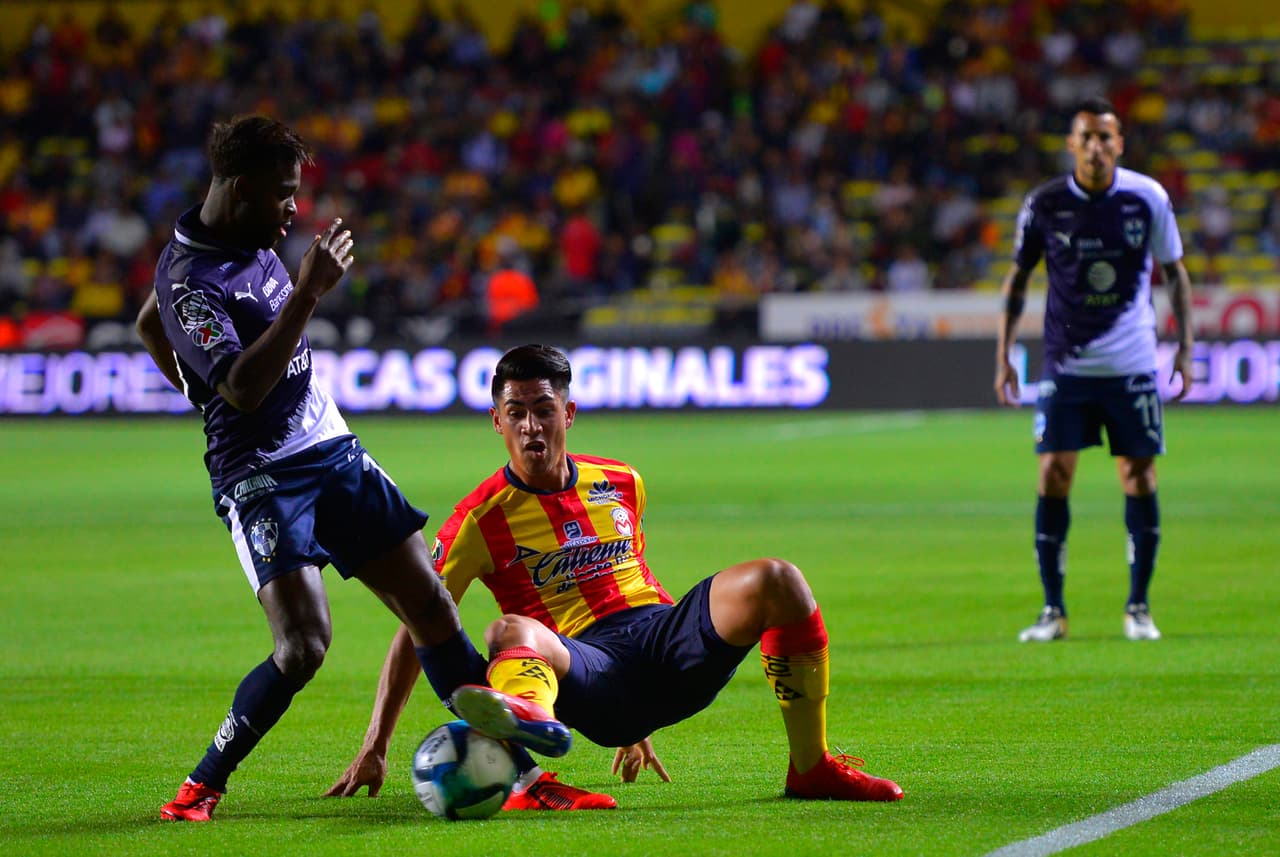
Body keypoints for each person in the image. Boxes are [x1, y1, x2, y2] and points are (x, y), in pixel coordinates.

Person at [135, 116, 583, 821]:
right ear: (240, 188)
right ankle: (201, 785)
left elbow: (145, 324)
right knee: (305, 645)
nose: (293, 209)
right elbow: (241, 388)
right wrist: (305, 294)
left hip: (330, 446)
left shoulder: (248, 239)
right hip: (262, 471)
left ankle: (526, 779)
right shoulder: (193, 280)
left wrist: (189, 380)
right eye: (282, 195)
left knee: (432, 603)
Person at [327, 344, 904, 803]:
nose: (532, 426)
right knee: (507, 631)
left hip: (661, 638)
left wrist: (641, 717)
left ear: (568, 413)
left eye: (544, 409)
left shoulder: (621, 480)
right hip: (585, 670)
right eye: (517, 413)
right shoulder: (479, 520)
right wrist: (375, 742)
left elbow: (638, 576)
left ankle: (812, 768)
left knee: (780, 578)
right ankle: (528, 722)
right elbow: (418, 626)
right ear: (496, 421)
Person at [993, 97, 1195, 643]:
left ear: (1120, 143)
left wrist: (1185, 348)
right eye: (1086, 136)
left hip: (1130, 363)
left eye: (1106, 137)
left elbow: (1175, 274)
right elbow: (1017, 281)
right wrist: (1005, 356)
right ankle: (1052, 611)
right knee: (1053, 474)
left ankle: (1139, 607)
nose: (1096, 146)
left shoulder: (1147, 196)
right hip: (1065, 364)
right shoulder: (1045, 204)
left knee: (1139, 475)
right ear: (1072, 144)